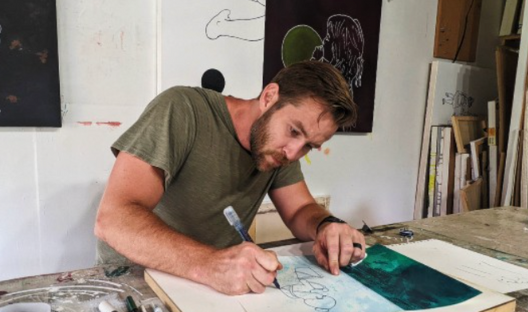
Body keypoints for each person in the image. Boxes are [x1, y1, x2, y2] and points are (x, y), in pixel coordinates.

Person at [95, 60, 367, 295]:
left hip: (207, 287)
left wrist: (327, 226)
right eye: (294, 131)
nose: (295, 152)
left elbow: (300, 210)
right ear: (269, 97)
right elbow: (113, 220)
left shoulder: (278, 150)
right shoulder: (182, 109)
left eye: (310, 146)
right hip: (132, 283)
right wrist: (212, 264)